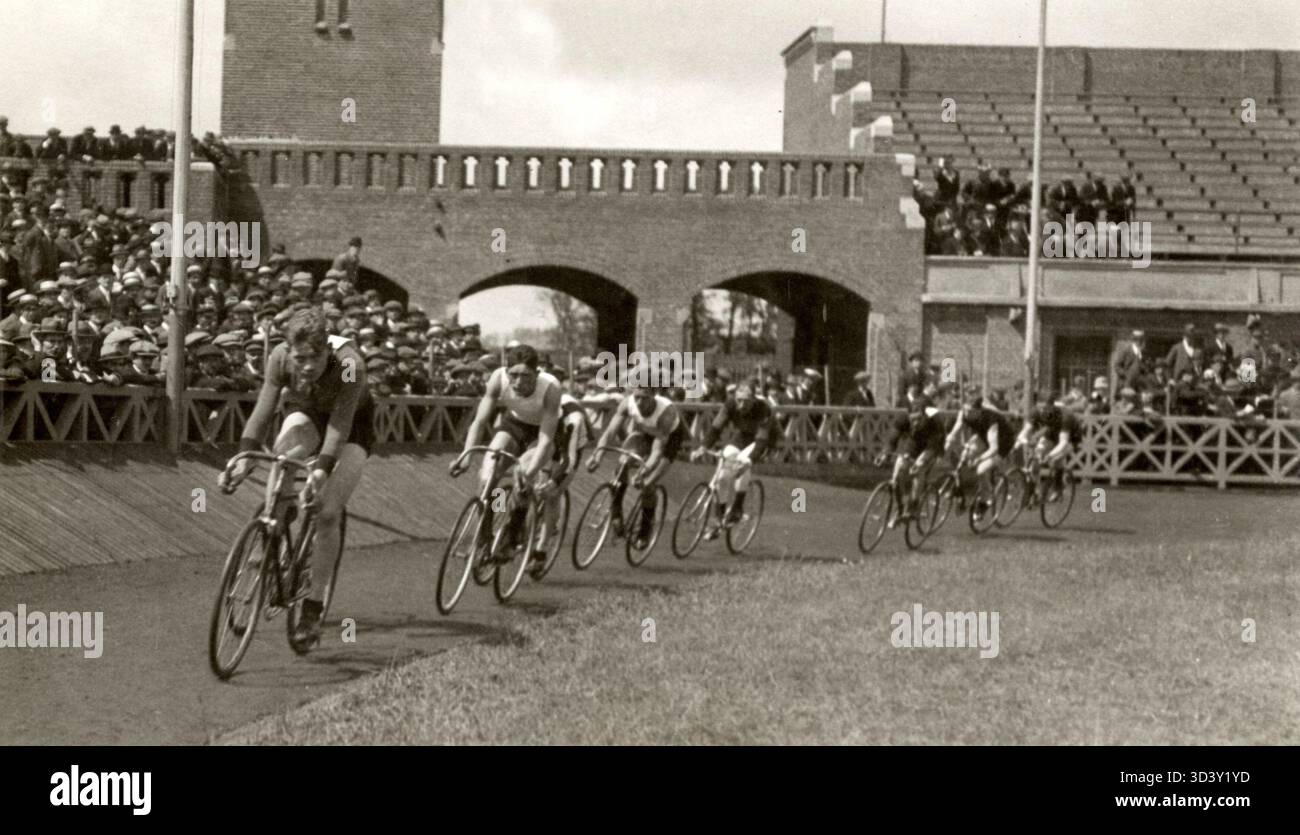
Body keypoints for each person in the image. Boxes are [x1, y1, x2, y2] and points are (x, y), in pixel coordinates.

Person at [227, 308, 374, 647]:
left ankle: (313, 605)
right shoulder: (279, 356)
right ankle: (276, 520)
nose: (306, 365)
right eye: (300, 358)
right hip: (307, 408)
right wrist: (243, 455)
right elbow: (264, 409)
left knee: (327, 513)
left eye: (315, 357)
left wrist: (321, 469)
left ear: (327, 350)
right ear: (289, 351)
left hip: (351, 425)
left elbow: (339, 425)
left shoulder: (350, 365)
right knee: (283, 451)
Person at [451, 343, 561, 566]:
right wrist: (466, 456)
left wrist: (529, 472)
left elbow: (546, 440)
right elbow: (480, 421)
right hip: (513, 425)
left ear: (537, 373)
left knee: (522, 475)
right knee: (487, 477)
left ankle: (512, 535)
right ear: (506, 371)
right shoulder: (497, 378)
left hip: (540, 435)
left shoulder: (550, 387)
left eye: (526, 376)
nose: (519, 382)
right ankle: (487, 533)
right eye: (514, 375)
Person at [588, 382, 687, 547]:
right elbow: (610, 432)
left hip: (668, 440)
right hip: (644, 433)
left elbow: (656, 453)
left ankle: (645, 530)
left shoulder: (665, 414)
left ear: (654, 396)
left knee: (647, 483)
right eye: (637, 397)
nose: (640, 403)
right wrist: (597, 455)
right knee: (622, 463)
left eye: (645, 398)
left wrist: (643, 472)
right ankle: (616, 514)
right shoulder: (628, 403)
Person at [692, 382, 773, 539]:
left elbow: (762, 439)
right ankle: (718, 518)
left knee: (743, 461)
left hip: (763, 440)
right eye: (739, 400)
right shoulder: (729, 404)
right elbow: (716, 427)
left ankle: (737, 508)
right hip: (742, 437)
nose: (741, 405)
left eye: (746, 401)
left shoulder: (763, 409)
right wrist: (703, 447)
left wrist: (749, 459)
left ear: (754, 400)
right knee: (723, 474)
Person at [944, 392, 1017, 520]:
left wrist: (980, 458)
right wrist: (949, 440)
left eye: (970, 411)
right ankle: (963, 496)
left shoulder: (990, 420)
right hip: (982, 436)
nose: (967, 413)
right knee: (965, 456)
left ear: (978, 411)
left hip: (1002, 443)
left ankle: (985, 501)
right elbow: (957, 428)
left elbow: (994, 448)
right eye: (965, 409)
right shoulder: (964, 412)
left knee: (981, 469)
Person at [874, 394, 945, 525]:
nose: (915, 423)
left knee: (918, 469)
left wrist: (924, 460)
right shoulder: (903, 418)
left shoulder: (933, 417)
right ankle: (900, 507)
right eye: (912, 420)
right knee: (900, 469)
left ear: (924, 415)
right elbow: (892, 438)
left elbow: (936, 443)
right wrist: (885, 453)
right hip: (913, 443)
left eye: (918, 420)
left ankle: (913, 505)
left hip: (932, 444)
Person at [1016, 396, 1081, 502]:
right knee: (1037, 454)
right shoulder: (1037, 411)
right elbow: (1026, 429)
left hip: (1071, 437)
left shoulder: (1066, 417)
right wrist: (1020, 440)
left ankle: (1058, 488)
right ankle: (1033, 491)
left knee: (1056, 459)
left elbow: (1063, 443)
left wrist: (1050, 455)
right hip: (1051, 433)